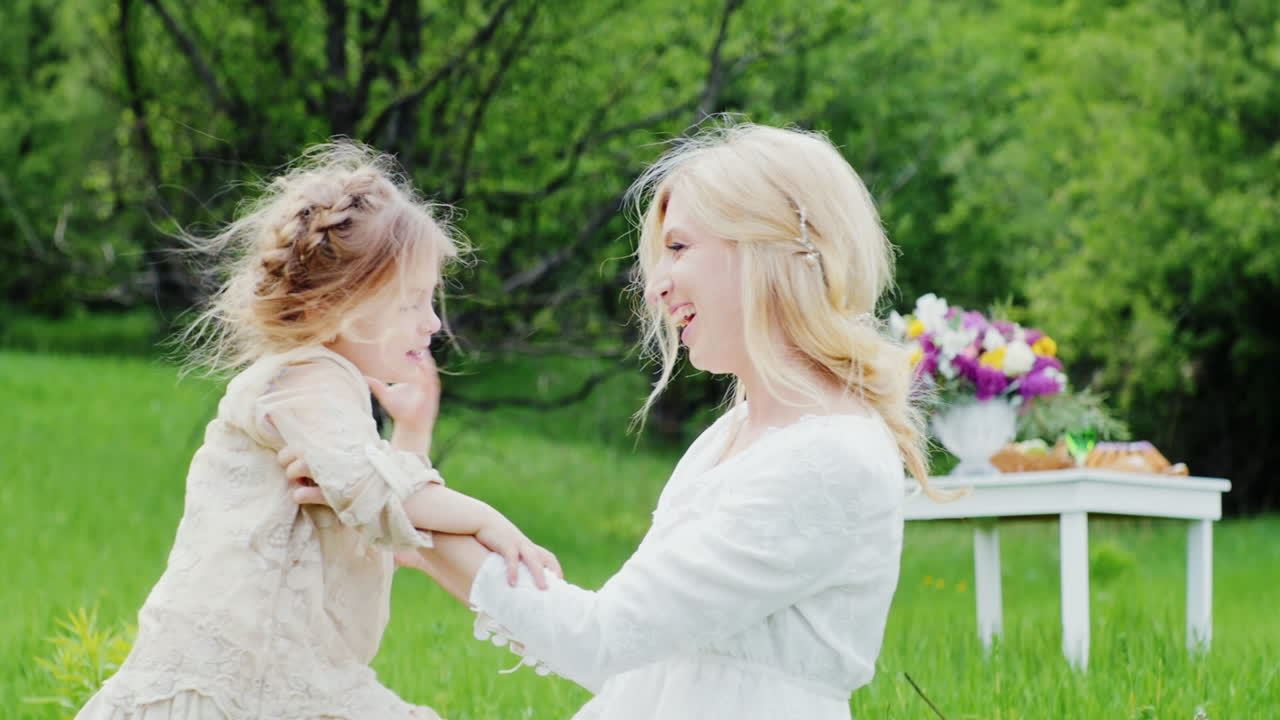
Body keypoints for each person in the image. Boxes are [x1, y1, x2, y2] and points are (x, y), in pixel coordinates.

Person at [291, 122, 934, 719]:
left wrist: (396, 504)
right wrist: (401, 507)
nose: (657, 285)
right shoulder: (732, 436)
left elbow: (601, 638)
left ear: (765, 249)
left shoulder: (825, 458)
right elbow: (645, 662)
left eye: (680, 246)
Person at [78, 142, 558, 720]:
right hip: (245, 683)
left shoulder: (325, 398)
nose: (432, 322)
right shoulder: (307, 378)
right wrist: (489, 519)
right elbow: (376, 493)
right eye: (413, 302)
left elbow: (384, 521)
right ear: (342, 307)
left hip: (284, 676)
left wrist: (413, 429)